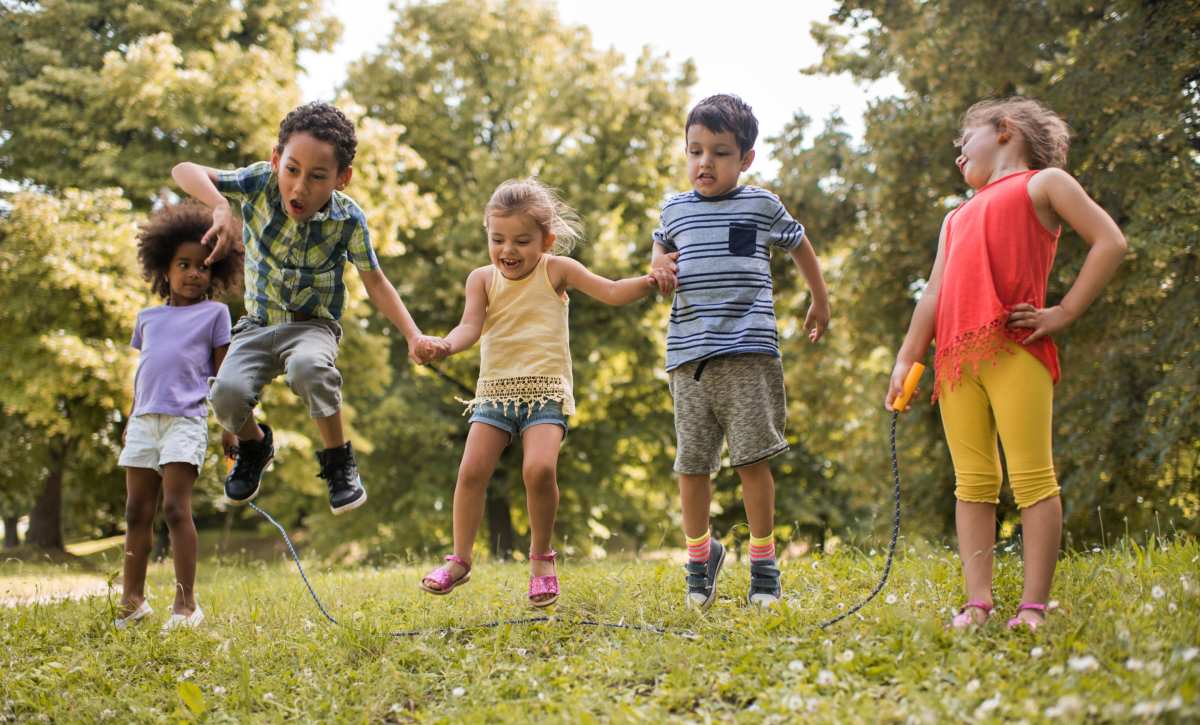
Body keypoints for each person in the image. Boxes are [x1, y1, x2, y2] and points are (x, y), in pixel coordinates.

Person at [886, 97, 1127, 630]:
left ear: (1004, 130)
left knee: (1033, 478)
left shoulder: (1045, 184)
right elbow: (932, 294)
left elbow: (1109, 241)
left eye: (963, 140)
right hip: (954, 361)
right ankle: (978, 603)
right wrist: (908, 356)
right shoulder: (954, 219)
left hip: (1015, 348)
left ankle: (1033, 607)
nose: (957, 156)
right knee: (971, 484)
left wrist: (1063, 311)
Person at [172, 102, 444, 514]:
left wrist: (412, 334)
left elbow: (376, 281)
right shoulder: (259, 183)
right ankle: (254, 445)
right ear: (276, 160)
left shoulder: (348, 219)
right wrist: (220, 206)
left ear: (341, 178)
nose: (300, 188)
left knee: (309, 369)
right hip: (258, 325)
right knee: (225, 395)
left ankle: (338, 461)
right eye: (292, 170)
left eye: (318, 177)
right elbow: (184, 170)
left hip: (312, 327)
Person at [418, 178, 669, 607]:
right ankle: (459, 559)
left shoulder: (557, 271)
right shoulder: (481, 280)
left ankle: (541, 559)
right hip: (494, 393)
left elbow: (609, 291)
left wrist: (650, 281)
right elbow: (469, 328)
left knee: (538, 471)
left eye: (521, 241)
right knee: (471, 471)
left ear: (546, 240)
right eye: (497, 239)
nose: (507, 251)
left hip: (546, 393)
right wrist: (444, 345)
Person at [650, 94, 831, 609]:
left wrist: (820, 298)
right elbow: (661, 245)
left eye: (720, 153)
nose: (705, 162)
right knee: (692, 465)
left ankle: (764, 566)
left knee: (753, 460)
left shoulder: (760, 204)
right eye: (695, 151)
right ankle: (699, 559)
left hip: (748, 351)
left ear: (745, 158)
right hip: (688, 358)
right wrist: (660, 264)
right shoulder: (674, 207)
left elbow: (798, 243)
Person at [116, 201, 242, 631]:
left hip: (185, 421)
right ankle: (132, 602)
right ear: (163, 269)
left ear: (215, 272)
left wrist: (230, 428)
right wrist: (130, 420)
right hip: (144, 421)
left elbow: (224, 378)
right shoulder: (147, 318)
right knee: (136, 511)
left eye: (203, 266)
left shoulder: (215, 314)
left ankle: (186, 606)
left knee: (174, 508)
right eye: (183, 264)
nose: (193, 274)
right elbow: (144, 372)